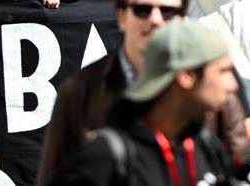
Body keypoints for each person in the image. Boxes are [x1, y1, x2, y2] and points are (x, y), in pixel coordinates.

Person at [38, 0, 188, 184]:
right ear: (121, 16)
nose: (156, 20)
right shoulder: (80, 92)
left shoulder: (208, 83)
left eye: (167, 10)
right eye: (142, 9)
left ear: (182, 15)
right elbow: (54, 175)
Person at [45, 21, 236, 186]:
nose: (233, 84)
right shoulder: (107, 157)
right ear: (187, 75)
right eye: (223, 71)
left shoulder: (205, 146)